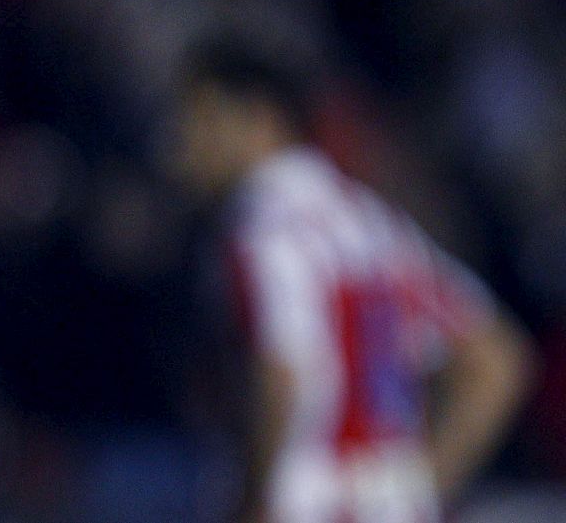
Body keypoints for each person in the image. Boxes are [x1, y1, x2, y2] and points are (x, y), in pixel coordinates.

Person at [175, 39, 534, 523]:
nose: (183, 143)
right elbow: (498, 359)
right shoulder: (373, 222)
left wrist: (256, 503)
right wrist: (422, 482)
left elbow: (283, 373)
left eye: (202, 119)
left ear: (260, 118)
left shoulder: (261, 234)